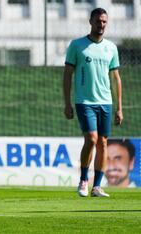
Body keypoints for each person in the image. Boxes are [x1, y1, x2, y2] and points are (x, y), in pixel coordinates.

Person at [63, 8, 123, 197]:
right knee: (91, 139)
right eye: (98, 21)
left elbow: (116, 78)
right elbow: (67, 75)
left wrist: (119, 108)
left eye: (104, 21)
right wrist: (67, 102)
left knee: (103, 142)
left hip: (105, 102)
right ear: (91, 21)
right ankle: (83, 180)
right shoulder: (77, 45)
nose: (101, 25)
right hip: (84, 101)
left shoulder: (111, 48)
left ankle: (97, 186)